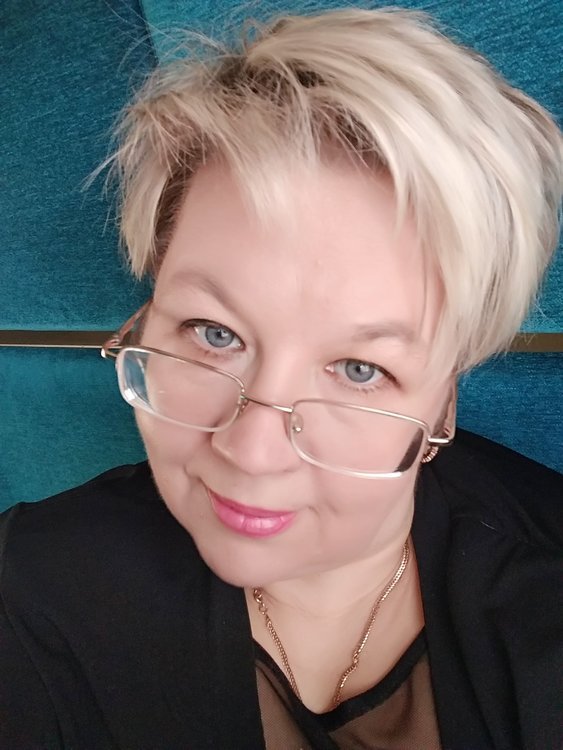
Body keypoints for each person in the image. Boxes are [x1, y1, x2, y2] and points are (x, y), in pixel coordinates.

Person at [1, 7, 562, 749]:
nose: (252, 453)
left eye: (359, 370)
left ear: (443, 399)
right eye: (214, 333)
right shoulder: (35, 587)